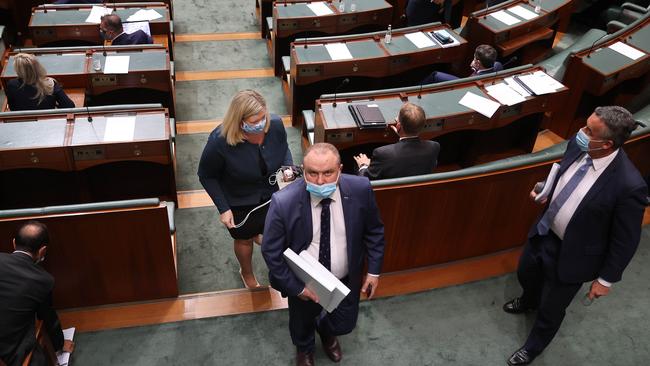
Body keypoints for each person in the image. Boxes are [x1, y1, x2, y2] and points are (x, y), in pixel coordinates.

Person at [503, 106, 648, 365]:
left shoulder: (629, 185)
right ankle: (528, 300)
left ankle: (533, 347)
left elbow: (625, 239)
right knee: (526, 273)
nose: (580, 133)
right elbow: (566, 179)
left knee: (551, 309)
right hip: (544, 232)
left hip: (574, 256)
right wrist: (545, 191)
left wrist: (606, 279)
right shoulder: (580, 145)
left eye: (588, 131)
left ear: (606, 145)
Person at [262, 143, 385, 366]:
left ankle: (327, 333)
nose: (320, 181)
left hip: (346, 278)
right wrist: (297, 288)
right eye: (313, 173)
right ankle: (305, 349)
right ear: (303, 169)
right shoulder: (283, 201)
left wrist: (374, 272)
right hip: (305, 281)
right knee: (302, 322)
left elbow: (374, 231)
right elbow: (271, 252)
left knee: (344, 322)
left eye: (328, 173)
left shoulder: (361, 188)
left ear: (340, 168)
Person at [198, 90, 293, 289]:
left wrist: (288, 169)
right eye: (253, 122)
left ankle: (262, 238)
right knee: (244, 239)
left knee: (276, 233)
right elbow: (206, 175)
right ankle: (247, 272)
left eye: (262, 118)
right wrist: (223, 208)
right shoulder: (219, 140)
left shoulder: (274, 124)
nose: (260, 125)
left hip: (273, 194)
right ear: (239, 121)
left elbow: (284, 149)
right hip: (240, 199)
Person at [0, 221, 75, 366]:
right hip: (10, 350)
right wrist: (59, 343)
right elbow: (47, 317)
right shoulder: (43, 280)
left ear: (14, 243)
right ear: (42, 251)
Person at [353, 102, 440, 180]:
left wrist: (363, 165)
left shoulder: (382, 153)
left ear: (398, 126)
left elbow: (364, 180)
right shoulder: (434, 147)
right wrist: (402, 134)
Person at [5, 53, 75, 111]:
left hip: (22, 123)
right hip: (48, 122)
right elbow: (70, 106)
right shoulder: (50, 84)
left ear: (19, 71)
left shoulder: (11, 85)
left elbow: (12, 108)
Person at [421, 44, 500, 84]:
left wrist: (476, 69)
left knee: (435, 75)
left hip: (463, 84)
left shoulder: (472, 80)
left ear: (478, 63)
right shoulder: (498, 66)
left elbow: (465, 83)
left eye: (474, 58)